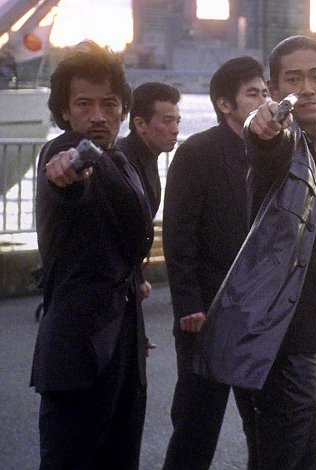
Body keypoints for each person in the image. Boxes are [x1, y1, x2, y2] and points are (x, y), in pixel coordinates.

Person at [192, 35, 316, 469]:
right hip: (286, 343)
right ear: (274, 91)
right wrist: (262, 129)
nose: (308, 88)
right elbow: (263, 143)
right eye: (293, 80)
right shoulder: (285, 147)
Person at [31, 40, 154, 469]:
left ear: (123, 109)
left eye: (109, 104)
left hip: (123, 346)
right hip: (78, 353)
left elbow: (120, 239)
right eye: (84, 104)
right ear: (65, 112)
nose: (98, 116)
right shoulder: (66, 151)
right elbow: (68, 176)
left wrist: (135, 288)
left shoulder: (122, 161)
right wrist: (66, 173)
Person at [161, 56, 267, 470]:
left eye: (265, 92)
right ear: (225, 104)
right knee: (196, 425)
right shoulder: (197, 152)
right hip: (206, 312)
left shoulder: (271, 151)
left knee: (262, 425)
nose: (264, 101)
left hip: (257, 315)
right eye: (253, 94)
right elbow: (179, 234)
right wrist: (188, 303)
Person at [117, 81, 181, 301]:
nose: (176, 129)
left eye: (177, 121)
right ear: (140, 124)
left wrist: (137, 276)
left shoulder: (145, 157)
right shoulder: (121, 161)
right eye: (168, 121)